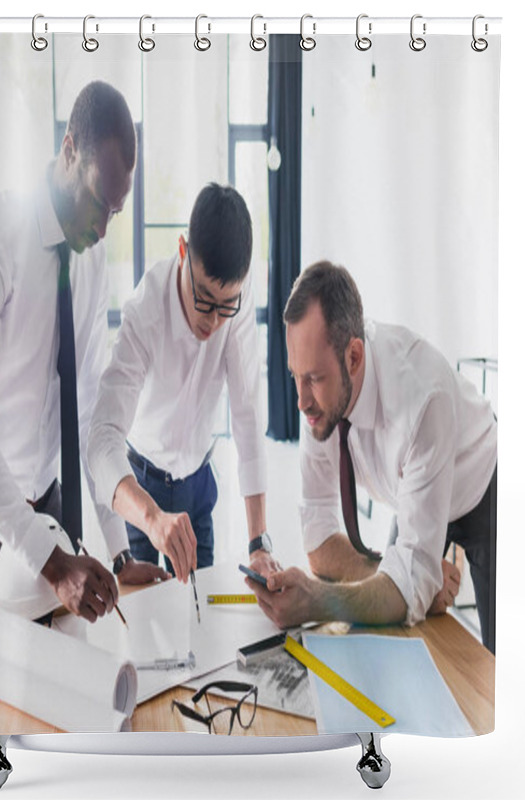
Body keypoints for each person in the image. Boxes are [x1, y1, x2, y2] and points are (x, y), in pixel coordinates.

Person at [0, 80, 168, 624]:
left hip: (50, 500)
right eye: (98, 202)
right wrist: (53, 564)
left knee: (50, 673)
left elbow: (89, 413)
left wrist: (118, 553)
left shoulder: (90, 258)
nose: (102, 227)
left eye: (115, 213)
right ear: (69, 148)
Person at [246, 261, 497, 653]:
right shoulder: (317, 405)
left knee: (498, 663)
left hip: (482, 484)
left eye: (313, 378)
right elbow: (318, 535)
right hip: (412, 486)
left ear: (354, 357)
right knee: (401, 633)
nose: (301, 400)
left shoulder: (422, 399)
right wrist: (395, 575)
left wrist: (317, 600)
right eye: (296, 375)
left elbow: (403, 584)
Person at [88, 184, 277, 584]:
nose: (212, 320)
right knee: (143, 625)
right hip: (140, 484)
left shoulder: (235, 302)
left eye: (226, 306)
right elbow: (102, 438)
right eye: (204, 298)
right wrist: (153, 517)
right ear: (182, 251)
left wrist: (259, 542)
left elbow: (247, 419)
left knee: (203, 618)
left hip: (198, 485)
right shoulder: (145, 310)